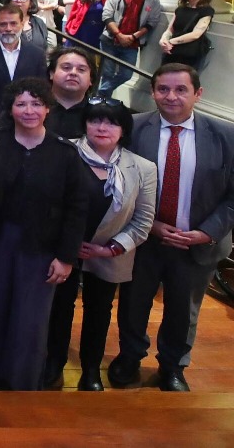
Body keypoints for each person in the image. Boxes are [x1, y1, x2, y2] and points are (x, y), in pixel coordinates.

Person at [110, 64, 234, 392]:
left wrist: (208, 232)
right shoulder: (133, 129)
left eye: (181, 90)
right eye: (163, 89)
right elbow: (119, 184)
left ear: (198, 93)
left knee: (184, 308)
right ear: (153, 93)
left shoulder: (226, 136)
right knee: (134, 303)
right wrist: (151, 226)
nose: (171, 97)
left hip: (197, 243)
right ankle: (129, 356)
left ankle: (173, 366)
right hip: (143, 238)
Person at [0, 78, 87, 391]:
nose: (29, 110)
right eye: (21, 103)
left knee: (31, 318)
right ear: (10, 108)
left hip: (42, 247)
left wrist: (65, 257)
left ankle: (22, 379)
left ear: (47, 108)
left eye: (36, 103)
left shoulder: (65, 154)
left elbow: (76, 210)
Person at [43, 98, 156, 391]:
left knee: (99, 309)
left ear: (123, 129)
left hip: (109, 253)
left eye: (111, 122)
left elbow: (143, 220)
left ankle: (91, 369)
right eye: (95, 120)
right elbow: (46, 203)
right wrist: (66, 243)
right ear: (85, 124)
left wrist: (110, 249)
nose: (102, 127)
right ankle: (53, 361)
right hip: (64, 248)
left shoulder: (142, 168)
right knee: (59, 306)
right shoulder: (62, 152)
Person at [0, 5, 48, 127]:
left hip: (27, 120)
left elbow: (41, 87)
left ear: (22, 24)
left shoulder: (36, 54)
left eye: (13, 23)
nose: (8, 28)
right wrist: (0, 114)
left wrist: (22, 112)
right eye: (3, 24)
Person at [98, 0, 166, 96]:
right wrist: (119, 35)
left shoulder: (153, 0)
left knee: (126, 74)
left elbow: (152, 22)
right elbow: (107, 16)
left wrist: (133, 37)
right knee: (107, 73)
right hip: (110, 40)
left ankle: (99, 94)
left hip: (132, 44)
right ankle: (102, 104)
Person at [160, 0, 215, 69]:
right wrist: (163, 40)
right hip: (171, 50)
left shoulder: (207, 11)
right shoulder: (180, 9)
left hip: (189, 54)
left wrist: (171, 41)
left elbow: (195, 35)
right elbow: (170, 29)